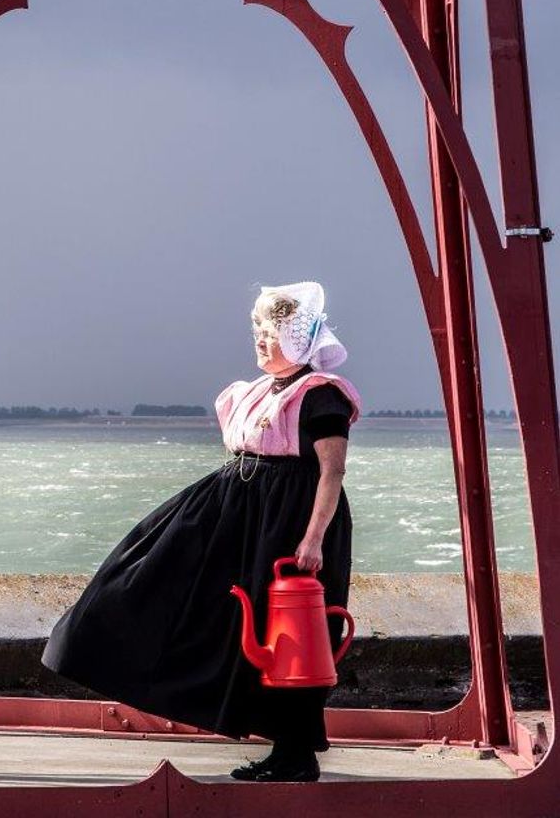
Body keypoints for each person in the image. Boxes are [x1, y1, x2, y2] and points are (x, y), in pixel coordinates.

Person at [41, 281, 359, 782]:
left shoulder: (321, 397)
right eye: (256, 329)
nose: (258, 340)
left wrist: (314, 537)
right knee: (154, 575)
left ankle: (295, 753)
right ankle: (277, 747)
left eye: (269, 332)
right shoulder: (255, 392)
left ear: (297, 340)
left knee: (287, 636)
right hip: (240, 516)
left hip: (291, 523)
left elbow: (332, 473)